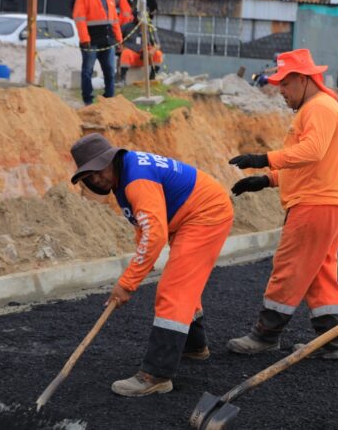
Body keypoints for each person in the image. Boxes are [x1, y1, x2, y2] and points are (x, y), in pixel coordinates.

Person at [70, 133, 234, 396]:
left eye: (98, 169)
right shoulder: (126, 175)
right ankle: (194, 346)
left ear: (110, 159)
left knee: (173, 290)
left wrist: (126, 284)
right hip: (190, 214)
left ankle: (156, 375)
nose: (96, 178)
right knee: (181, 283)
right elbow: (144, 228)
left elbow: (154, 236)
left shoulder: (136, 181)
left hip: (205, 214)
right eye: (89, 176)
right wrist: (138, 267)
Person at [225, 49, 338, 359]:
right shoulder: (320, 107)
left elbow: (312, 151)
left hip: (316, 203)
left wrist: (263, 159)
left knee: (289, 266)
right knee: (320, 273)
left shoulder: (319, 107)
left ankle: (266, 335)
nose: (280, 91)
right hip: (328, 201)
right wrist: (268, 179)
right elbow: (312, 166)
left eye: (284, 84)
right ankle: (331, 341)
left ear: (303, 79)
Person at [73, 0, 123, 105]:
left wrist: (119, 39)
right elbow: (79, 18)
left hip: (108, 40)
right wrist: (85, 39)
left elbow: (115, 21)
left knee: (110, 71)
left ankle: (109, 99)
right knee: (87, 71)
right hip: (91, 40)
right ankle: (88, 100)